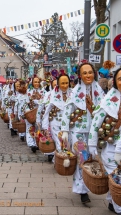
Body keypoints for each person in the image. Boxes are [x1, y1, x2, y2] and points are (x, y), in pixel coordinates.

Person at [61, 62, 105, 204]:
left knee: (92, 159)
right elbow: (67, 110)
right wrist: (65, 130)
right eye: (85, 73)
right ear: (80, 75)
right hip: (78, 132)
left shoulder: (99, 91)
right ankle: (82, 191)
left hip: (93, 132)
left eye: (90, 72)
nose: (88, 75)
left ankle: (88, 184)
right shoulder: (75, 92)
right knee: (82, 158)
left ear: (94, 73)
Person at [88, 68, 121, 214]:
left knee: (115, 181)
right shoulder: (108, 101)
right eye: (120, 79)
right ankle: (118, 206)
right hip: (112, 150)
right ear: (114, 82)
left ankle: (112, 202)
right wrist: (92, 144)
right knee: (116, 177)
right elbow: (96, 123)